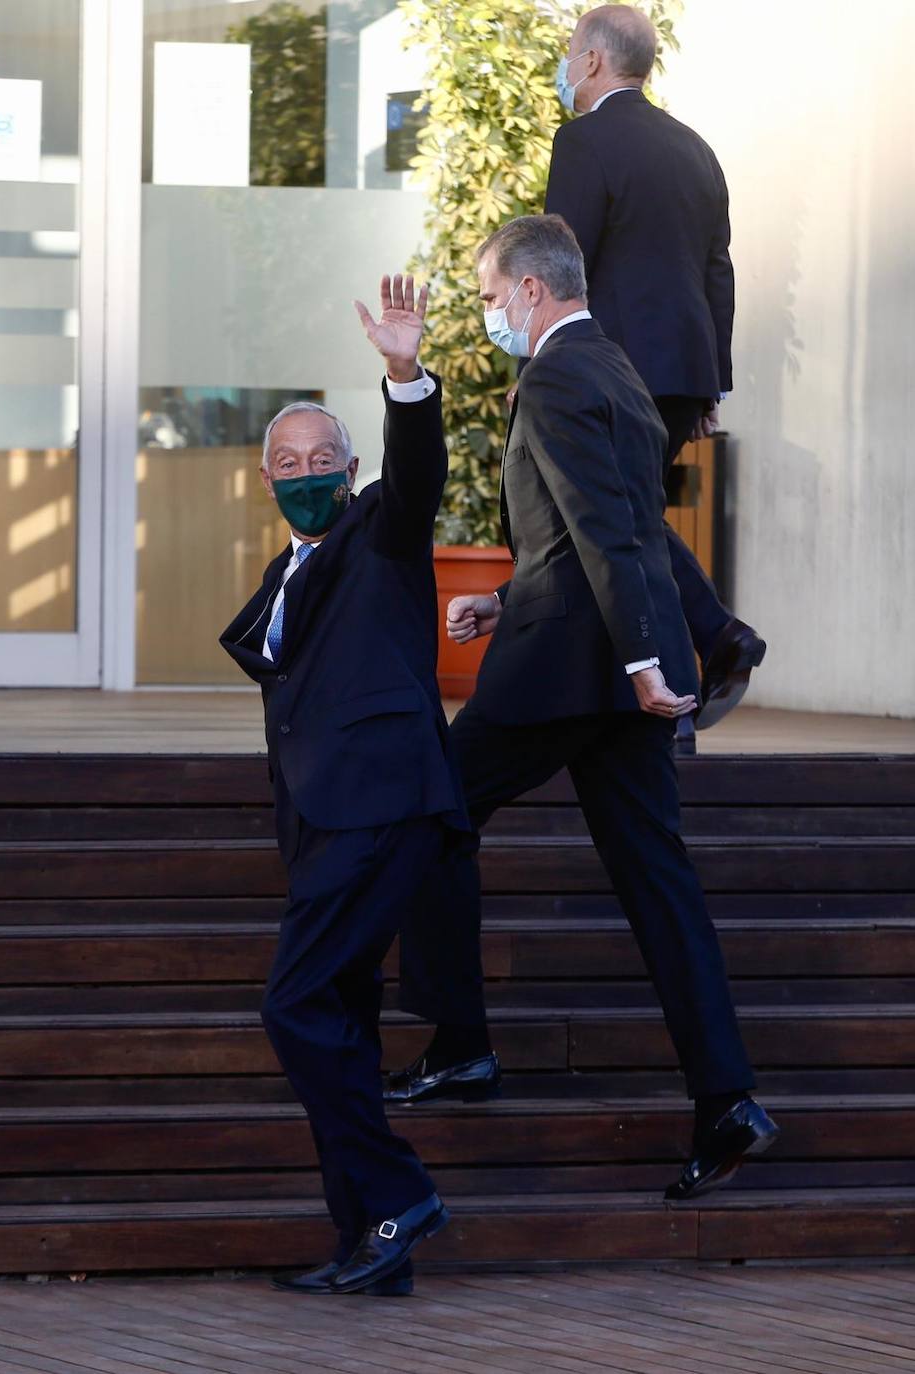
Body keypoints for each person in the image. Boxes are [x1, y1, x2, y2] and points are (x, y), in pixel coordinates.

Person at [388, 215, 779, 1202]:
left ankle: (463, 1044)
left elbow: (610, 532)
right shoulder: (617, 371)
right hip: (607, 670)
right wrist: (516, 597)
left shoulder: (559, 377)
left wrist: (650, 660)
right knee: (660, 883)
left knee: (432, 812)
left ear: (527, 290)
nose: (486, 315)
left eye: (487, 297)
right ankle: (726, 1099)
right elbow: (616, 535)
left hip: (566, 673)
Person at [220, 273, 465, 1296]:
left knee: (295, 1003)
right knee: (342, 1019)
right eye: (291, 464)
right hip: (323, 824)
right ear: (266, 479)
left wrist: (405, 374)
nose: (308, 472)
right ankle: (370, 1239)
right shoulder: (279, 582)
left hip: (382, 806)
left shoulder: (379, 531)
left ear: (352, 466)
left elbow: (417, 480)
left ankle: (399, 1192)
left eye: (326, 459)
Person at [545, 3, 766, 752]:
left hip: (603, 372)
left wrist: (540, 365)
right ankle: (709, 645)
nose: (565, 65)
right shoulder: (695, 148)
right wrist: (712, 386)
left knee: (624, 529)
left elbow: (557, 264)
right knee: (631, 520)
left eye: (570, 52)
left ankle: (679, 694)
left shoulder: (582, 141)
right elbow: (716, 271)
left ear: (595, 61)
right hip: (679, 373)